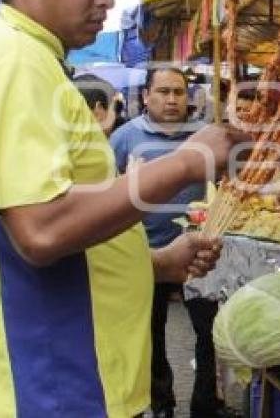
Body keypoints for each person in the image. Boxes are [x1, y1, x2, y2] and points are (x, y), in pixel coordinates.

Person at [0, 0, 247, 417]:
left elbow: (55, 220)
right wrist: (186, 163)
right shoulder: (11, 63)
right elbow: (41, 231)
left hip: (75, 382)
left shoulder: (31, 61)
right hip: (59, 384)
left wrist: (153, 264)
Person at [110, 66, 223, 417]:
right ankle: (161, 403)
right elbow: (107, 194)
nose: (172, 99)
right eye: (163, 91)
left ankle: (205, 404)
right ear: (146, 96)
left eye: (179, 92)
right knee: (149, 335)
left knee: (210, 333)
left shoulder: (206, 136)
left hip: (201, 255)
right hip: (147, 254)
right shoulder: (124, 137)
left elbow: (227, 184)